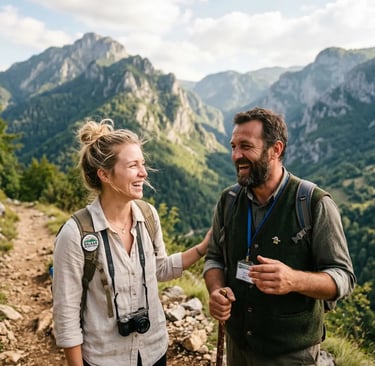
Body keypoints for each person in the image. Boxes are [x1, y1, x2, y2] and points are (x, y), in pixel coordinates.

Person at [203, 107, 356, 366]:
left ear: (276, 149)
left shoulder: (313, 203)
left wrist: (293, 279)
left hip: (291, 355)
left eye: (246, 146)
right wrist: (216, 290)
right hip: (238, 345)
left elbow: (343, 278)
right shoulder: (228, 201)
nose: (236, 155)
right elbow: (214, 258)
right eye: (233, 146)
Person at [53, 118, 211, 366]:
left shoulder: (148, 216)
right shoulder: (76, 234)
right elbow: (66, 313)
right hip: (105, 358)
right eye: (133, 165)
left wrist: (203, 248)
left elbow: (159, 269)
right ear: (104, 174)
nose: (144, 173)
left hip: (154, 350)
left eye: (143, 164)